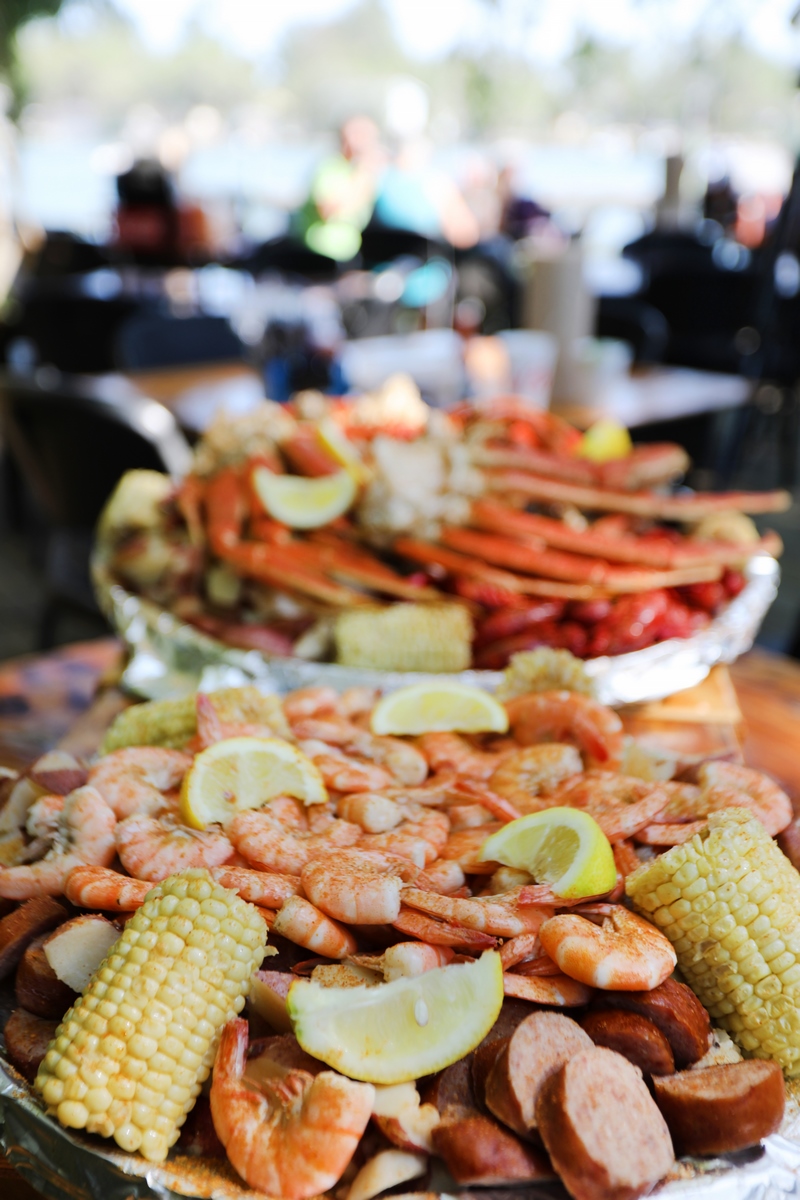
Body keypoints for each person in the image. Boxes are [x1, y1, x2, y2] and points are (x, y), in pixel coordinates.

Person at [293, 116, 384, 262]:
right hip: (320, 253)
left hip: (348, 251)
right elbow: (328, 210)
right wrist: (362, 172)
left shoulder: (359, 171)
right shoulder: (329, 167)